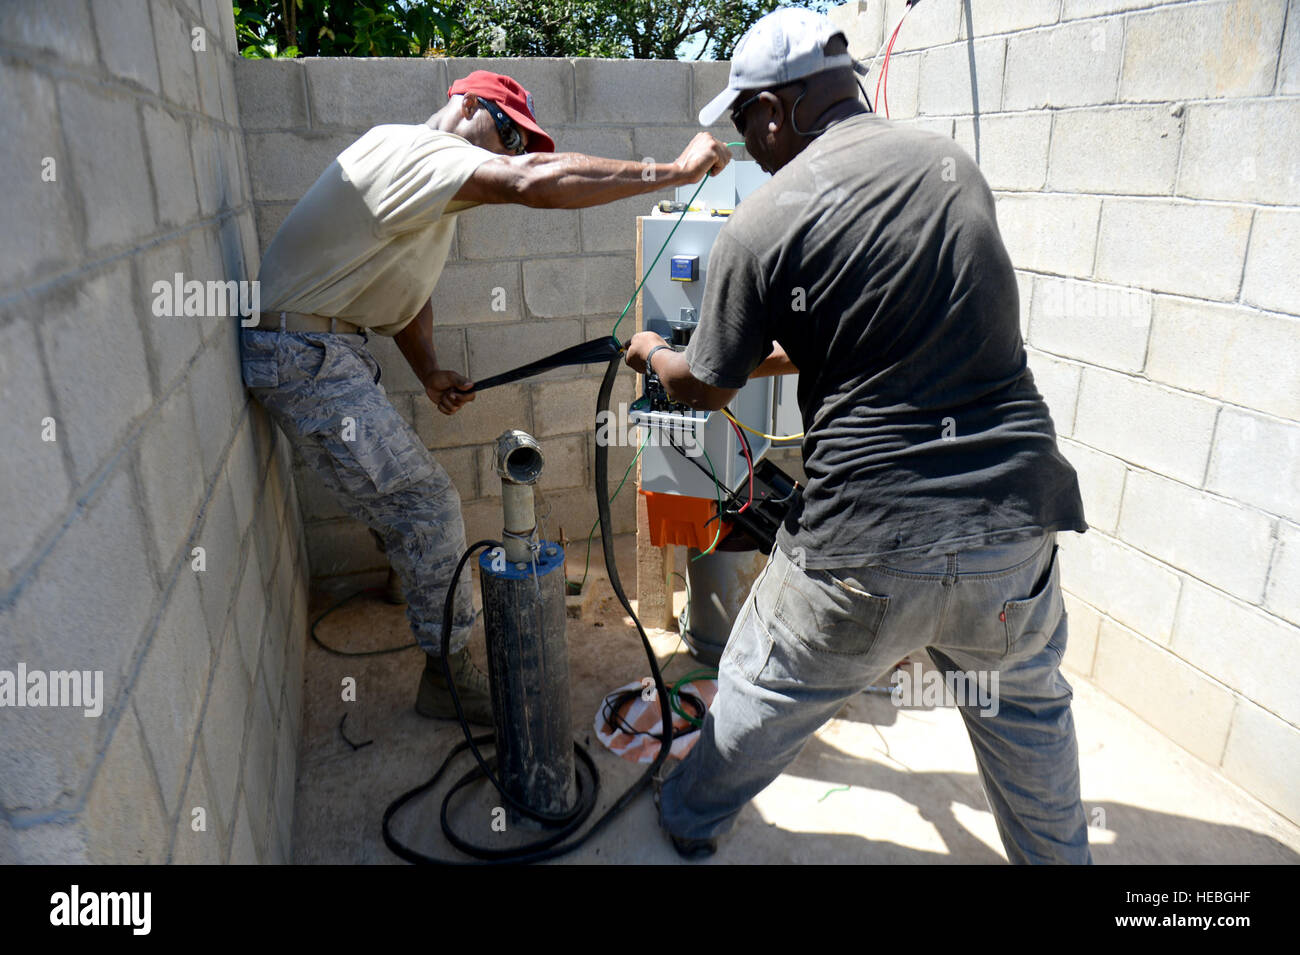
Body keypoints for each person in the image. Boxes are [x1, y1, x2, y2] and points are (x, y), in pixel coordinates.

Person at [624, 9, 1092, 864]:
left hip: (865, 546)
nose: (748, 142)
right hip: (1014, 525)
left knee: (761, 686)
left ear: (777, 109)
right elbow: (874, 337)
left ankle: (690, 819)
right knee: (1029, 713)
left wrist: (655, 350)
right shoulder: (951, 168)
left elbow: (704, 385)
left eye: (744, 121)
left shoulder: (763, 222)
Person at [242, 70, 731, 724]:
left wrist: (430, 370)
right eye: (506, 132)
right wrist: (671, 172)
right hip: (304, 355)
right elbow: (533, 180)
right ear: (465, 102)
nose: (508, 151)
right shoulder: (415, 150)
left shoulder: (424, 187)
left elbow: (408, 291)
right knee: (429, 503)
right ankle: (446, 674)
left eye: (519, 141)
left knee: (401, 491)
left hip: (324, 350)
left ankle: (412, 578)